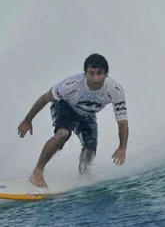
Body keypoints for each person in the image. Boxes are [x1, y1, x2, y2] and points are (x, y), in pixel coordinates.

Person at [17, 53, 128, 188]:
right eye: (91, 73)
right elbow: (44, 98)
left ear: (106, 74)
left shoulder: (115, 90)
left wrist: (122, 147)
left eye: (99, 73)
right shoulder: (71, 85)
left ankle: (83, 176)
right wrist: (28, 120)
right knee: (63, 134)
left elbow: (122, 121)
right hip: (64, 107)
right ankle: (37, 172)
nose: (95, 78)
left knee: (90, 147)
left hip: (87, 115)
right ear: (85, 73)